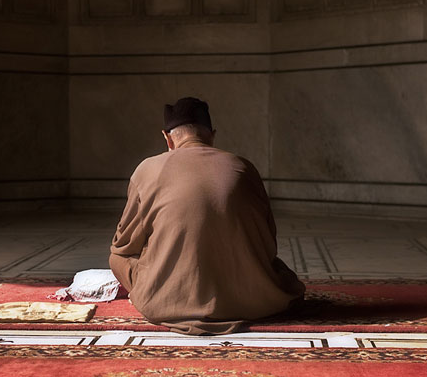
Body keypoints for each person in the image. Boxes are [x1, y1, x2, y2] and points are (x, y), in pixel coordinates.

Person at [109, 97, 305, 335]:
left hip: (163, 302)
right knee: (281, 272)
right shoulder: (243, 167)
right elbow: (267, 244)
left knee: (116, 259)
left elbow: (124, 244)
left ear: (167, 137)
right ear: (212, 135)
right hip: (252, 300)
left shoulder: (147, 169)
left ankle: (169, 297)